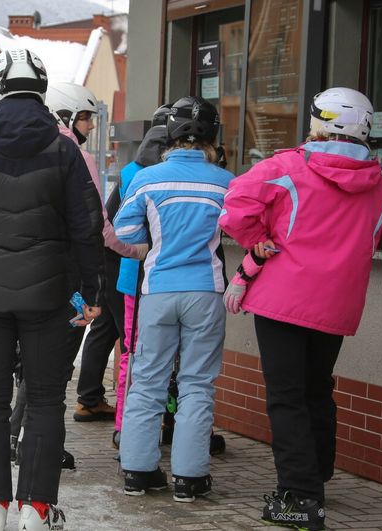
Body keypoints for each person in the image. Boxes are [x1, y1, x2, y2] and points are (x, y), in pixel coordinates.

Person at [218, 87, 382, 531]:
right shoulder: (377, 185)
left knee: (286, 397)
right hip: (336, 306)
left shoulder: (285, 167)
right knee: (315, 391)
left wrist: (259, 242)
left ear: (317, 122)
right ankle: (316, 476)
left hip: (281, 301)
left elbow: (234, 211)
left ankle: (300, 498)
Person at [0, 49, 105, 531]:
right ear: (41, 90)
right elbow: (86, 227)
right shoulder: (65, 149)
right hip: (51, 299)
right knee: (46, 398)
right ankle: (36, 508)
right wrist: (89, 292)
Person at [112, 97, 233, 503]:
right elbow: (244, 229)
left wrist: (150, 250)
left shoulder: (147, 179)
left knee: (147, 382)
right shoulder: (226, 182)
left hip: (159, 291)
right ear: (213, 137)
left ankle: (137, 472)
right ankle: (189, 478)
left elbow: (123, 233)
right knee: (197, 384)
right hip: (206, 291)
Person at [44, 82, 147, 425]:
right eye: (85, 118)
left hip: (33, 276)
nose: (89, 126)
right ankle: (45, 440)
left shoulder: (31, 150)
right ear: (66, 115)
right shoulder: (77, 155)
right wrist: (132, 249)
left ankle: (20, 433)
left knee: (35, 362)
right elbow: (98, 224)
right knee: (61, 355)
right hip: (72, 282)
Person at [104, 106, 171, 445]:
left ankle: (125, 427)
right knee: (164, 355)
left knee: (132, 351)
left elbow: (112, 228)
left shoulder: (131, 171)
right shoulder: (173, 172)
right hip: (155, 278)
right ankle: (145, 425)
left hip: (132, 278)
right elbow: (112, 229)